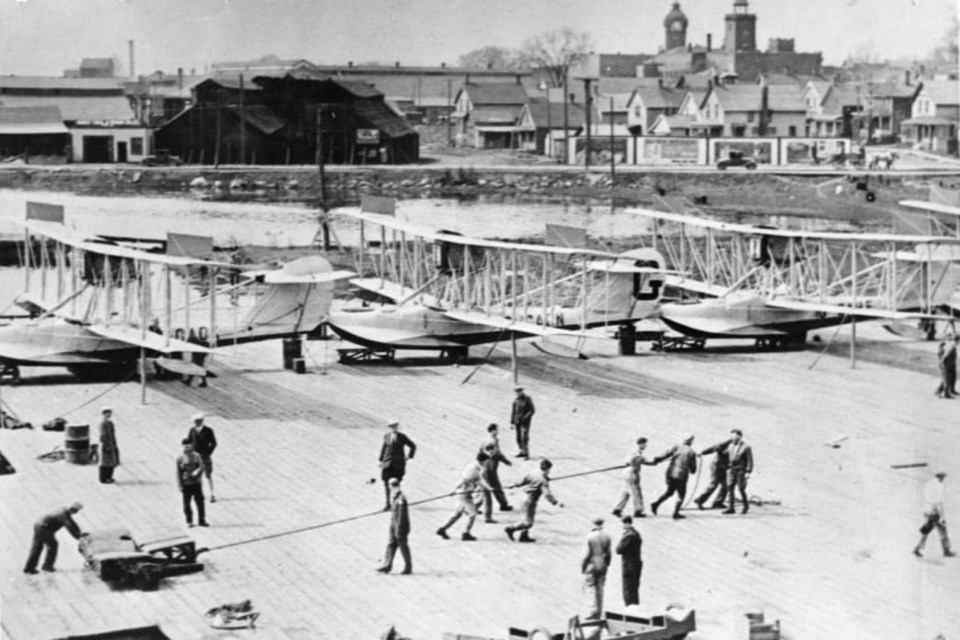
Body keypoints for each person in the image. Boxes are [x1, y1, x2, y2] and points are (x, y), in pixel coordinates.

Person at [505, 458, 564, 543]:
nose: (549, 472)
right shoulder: (543, 480)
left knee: (527, 518)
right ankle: (511, 528)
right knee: (528, 522)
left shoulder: (534, 473)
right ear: (547, 469)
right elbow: (547, 494)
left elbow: (522, 481)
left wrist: (514, 484)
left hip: (523, 496)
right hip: (530, 500)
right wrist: (555, 502)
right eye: (549, 470)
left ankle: (524, 535)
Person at [437, 452, 491, 541]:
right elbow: (477, 481)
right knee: (473, 514)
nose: (487, 463)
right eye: (487, 461)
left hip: (462, 493)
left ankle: (442, 529)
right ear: (483, 461)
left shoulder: (471, 466)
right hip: (465, 494)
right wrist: (489, 488)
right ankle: (466, 533)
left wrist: (455, 490)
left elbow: (467, 479)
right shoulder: (477, 469)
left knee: (457, 514)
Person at [23, 502, 85, 574]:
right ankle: (47, 566)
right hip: (44, 527)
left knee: (37, 547)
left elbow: (72, 523)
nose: (76, 513)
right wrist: (79, 537)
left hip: (38, 524)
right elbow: (70, 527)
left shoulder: (64, 511)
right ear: (73, 510)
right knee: (52, 545)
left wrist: (80, 533)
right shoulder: (63, 514)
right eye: (76, 511)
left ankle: (29, 568)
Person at [650, 435, 697, 520]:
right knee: (681, 494)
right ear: (691, 442)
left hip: (670, 474)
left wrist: (656, 460)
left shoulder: (676, 447)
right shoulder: (691, 452)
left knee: (669, 492)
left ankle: (656, 504)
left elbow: (664, 455)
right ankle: (676, 513)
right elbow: (693, 470)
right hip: (681, 476)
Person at [612, 437, 659, 519]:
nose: (645, 446)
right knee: (636, 492)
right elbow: (647, 462)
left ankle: (617, 509)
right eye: (645, 444)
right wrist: (656, 461)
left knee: (625, 491)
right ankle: (638, 511)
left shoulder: (633, 451)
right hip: (632, 473)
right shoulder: (637, 454)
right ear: (641, 444)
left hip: (626, 472)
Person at [914, 472, 955, 558]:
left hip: (928, 511)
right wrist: (942, 517)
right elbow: (938, 503)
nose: (943, 479)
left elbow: (926, 498)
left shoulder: (929, 484)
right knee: (942, 531)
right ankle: (946, 550)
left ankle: (917, 548)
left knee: (926, 531)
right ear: (940, 477)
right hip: (935, 513)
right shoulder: (938, 487)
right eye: (942, 477)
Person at [377, 478, 412, 574]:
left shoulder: (401, 498)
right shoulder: (396, 496)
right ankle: (387, 565)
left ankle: (408, 567)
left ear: (393, 486)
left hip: (400, 526)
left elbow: (402, 515)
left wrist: (399, 529)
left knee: (403, 545)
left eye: (390, 486)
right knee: (391, 544)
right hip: (394, 524)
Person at [379, 421, 416, 511]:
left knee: (396, 484)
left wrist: (409, 457)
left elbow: (412, 446)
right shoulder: (386, 436)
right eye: (392, 427)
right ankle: (387, 503)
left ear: (397, 427)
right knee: (386, 483)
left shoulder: (402, 437)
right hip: (387, 463)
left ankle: (396, 502)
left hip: (398, 464)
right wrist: (381, 460)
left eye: (395, 427)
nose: (393, 428)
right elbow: (384, 449)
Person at [480, 423, 513, 521]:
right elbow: (497, 454)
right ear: (492, 430)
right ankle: (503, 504)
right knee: (493, 486)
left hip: (487, 465)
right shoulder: (493, 442)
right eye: (497, 430)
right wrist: (506, 461)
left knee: (491, 487)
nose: (498, 431)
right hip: (491, 467)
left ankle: (503, 503)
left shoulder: (484, 440)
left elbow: (480, 452)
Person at [581, 517, 612, 620]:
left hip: (592, 563)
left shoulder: (590, 537)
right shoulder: (607, 536)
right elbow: (609, 554)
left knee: (589, 587)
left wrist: (583, 566)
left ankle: (592, 610)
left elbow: (587, 554)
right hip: (602, 563)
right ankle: (599, 611)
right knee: (600, 588)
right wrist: (606, 564)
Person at [176, 438, 208, 527]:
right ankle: (189, 521)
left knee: (200, 502)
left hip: (196, 483)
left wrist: (197, 472)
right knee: (186, 504)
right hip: (186, 484)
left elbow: (202, 467)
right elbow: (178, 473)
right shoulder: (180, 458)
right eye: (186, 447)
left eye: (189, 446)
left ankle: (201, 520)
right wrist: (180, 485)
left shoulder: (197, 456)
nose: (188, 448)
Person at [186, 413, 218, 502]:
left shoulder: (208, 431)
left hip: (205, 456)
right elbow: (189, 442)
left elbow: (214, 443)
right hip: (195, 457)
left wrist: (208, 453)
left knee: (208, 475)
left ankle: (212, 494)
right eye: (195, 422)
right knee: (196, 476)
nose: (196, 423)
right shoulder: (192, 430)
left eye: (198, 421)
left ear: (201, 421)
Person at [695, 437, 733, 510]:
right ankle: (699, 500)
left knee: (725, 485)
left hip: (723, 468)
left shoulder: (738, 446)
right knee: (713, 484)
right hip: (716, 466)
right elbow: (713, 448)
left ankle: (718, 502)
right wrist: (702, 452)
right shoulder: (726, 443)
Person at [724, 429, 754, 515]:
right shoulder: (730, 446)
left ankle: (745, 506)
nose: (732, 438)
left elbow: (750, 460)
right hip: (731, 470)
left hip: (740, 470)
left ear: (739, 436)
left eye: (734, 436)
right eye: (731, 436)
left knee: (741, 488)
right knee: (730, 488)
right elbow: (725, 454)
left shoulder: (746, 447)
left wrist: (748, 472)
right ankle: (731, 508)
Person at [615, 515, 643, 607]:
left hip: (629, 565)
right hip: (636, 563)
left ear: (627, 524)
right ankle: (635, 605)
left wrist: (622, 537)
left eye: (623, 524)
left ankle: (630, 606)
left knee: (628, 588)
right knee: (634, 588)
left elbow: (618, 550)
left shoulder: (628, 536)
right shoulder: (636, 533)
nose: (622, 526)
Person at [510, 386, 535, 458]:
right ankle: (522, 451)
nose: (518, 393)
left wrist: (525, 418)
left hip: (525, 422)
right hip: (517, 421)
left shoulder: (527, 399)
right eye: (517, 392)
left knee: (524, 437)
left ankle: (526, 453)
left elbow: (532, 410)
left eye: (519, 391)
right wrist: (512, 422)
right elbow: (513, 412)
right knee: (518, 437)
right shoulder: (515, 401)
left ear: (522, 391)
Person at [98, 407, 119, 484]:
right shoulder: (103, 424)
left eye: (110, 413)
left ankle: (109, 477)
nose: (109, 415)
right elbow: (102, 436)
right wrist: (107, 445)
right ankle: (103, 478)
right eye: (107, 413)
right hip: (105, 445)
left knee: (111, 462)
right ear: (103, 414)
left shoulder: (110, 423)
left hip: (111, 444)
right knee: (104, 463)